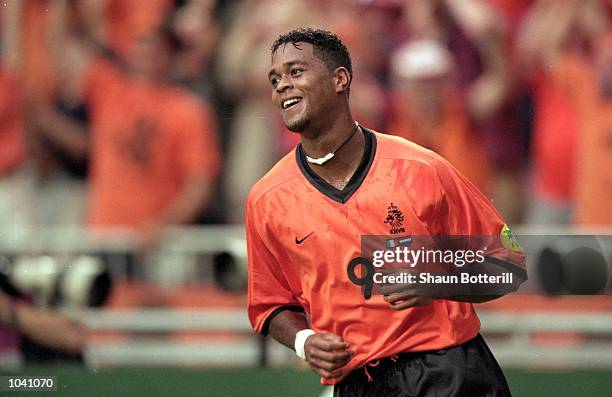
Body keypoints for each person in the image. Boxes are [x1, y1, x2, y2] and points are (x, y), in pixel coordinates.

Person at [246, 28, 526, 396]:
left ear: (340, 79)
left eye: (295, 72)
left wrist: (435, 281)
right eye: (275, 78)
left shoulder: (421, 169)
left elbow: (508, 264)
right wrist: (304, 341)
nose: (282, 85)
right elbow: (269, 306)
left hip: (448, 371)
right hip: (357, 383)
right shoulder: (267, 199)